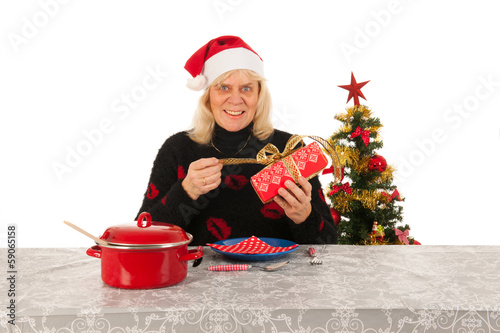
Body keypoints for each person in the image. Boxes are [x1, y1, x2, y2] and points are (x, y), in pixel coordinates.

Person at [136, 35, 338, 245]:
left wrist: (304, 217)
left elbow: (330, 246)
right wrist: (185, 192)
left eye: (246, 88)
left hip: (277, 275)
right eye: (224, 87)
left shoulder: (289, 149)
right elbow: (142, 238)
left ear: (259, 94)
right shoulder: (178, 150)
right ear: (208, 96)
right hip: (201, 277)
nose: (235, 99)